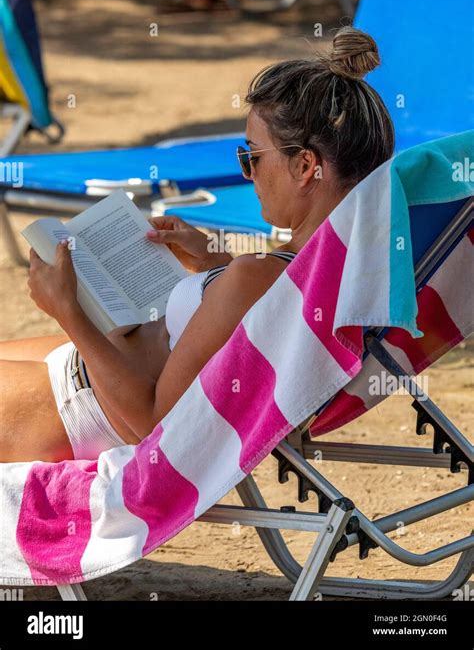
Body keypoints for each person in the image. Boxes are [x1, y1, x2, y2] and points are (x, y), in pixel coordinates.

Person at [0, 26, 394, 463]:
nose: (248, 173)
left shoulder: (260, 277)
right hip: (93, 372)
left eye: (253, 156)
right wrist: (214, 266)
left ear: (305, 166)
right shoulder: (341, 266)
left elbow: (158, 429)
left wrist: (68, 310)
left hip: (88, 407)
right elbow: (259, 320)